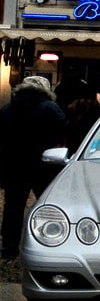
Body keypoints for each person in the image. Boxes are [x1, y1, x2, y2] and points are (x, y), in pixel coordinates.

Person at [0, 76, 68, 258]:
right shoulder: (51, 108)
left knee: (13, 207)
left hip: (14, 165)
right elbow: (63, 130)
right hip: (44, 165)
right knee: (48, 206)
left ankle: (9, 247)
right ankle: (49, 243)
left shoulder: (7, 109)